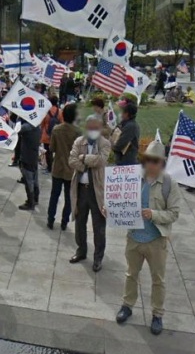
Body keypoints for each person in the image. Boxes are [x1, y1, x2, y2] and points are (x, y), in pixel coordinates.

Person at [115, 141, 184, 336]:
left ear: (162, 163)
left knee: (158, 280)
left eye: (155, 160)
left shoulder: (169, 184)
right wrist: (110, 210)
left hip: (156, 240)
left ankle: (157, 314)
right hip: (134, 237)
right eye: (147, 160)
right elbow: (120, 201)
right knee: (131, 274)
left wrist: (153, 214)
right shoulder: (133, 179)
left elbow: (174, 213)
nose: (150, 164)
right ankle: (127, 306)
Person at [68, 114, 112, 269]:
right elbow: (72, 160)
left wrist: (83, 157)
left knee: (99, 226)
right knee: (80, 223)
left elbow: (101, 161)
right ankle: (81, 251)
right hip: (81, 189)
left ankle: (98, 258)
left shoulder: (105, 143)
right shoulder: (79, 142)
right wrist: (86, 164)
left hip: (97, 191)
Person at [47, 103, 80, 231]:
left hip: (58, 167)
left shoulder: (56, 129)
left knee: (54, 195)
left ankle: (50, 219)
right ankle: (64, 221)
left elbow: (52, 148)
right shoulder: (78, 132)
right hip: (71, 169)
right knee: (69, 197)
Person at [16, 115, 41, 211]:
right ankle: (35, 198)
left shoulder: (26, 127)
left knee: (28, 180)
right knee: (35, 178)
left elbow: (17, 129)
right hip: (34, 155)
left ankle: (30, 202)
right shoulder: (37, 124)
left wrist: (19, 117)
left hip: (26, 156)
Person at [111, 101, 141, 166]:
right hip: (122, 159)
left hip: (127, 160)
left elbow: (121, 144)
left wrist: (112, 147)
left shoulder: (131, 126)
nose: (121, 114)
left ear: (127, 114)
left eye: (122, 112)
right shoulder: (125, 124)